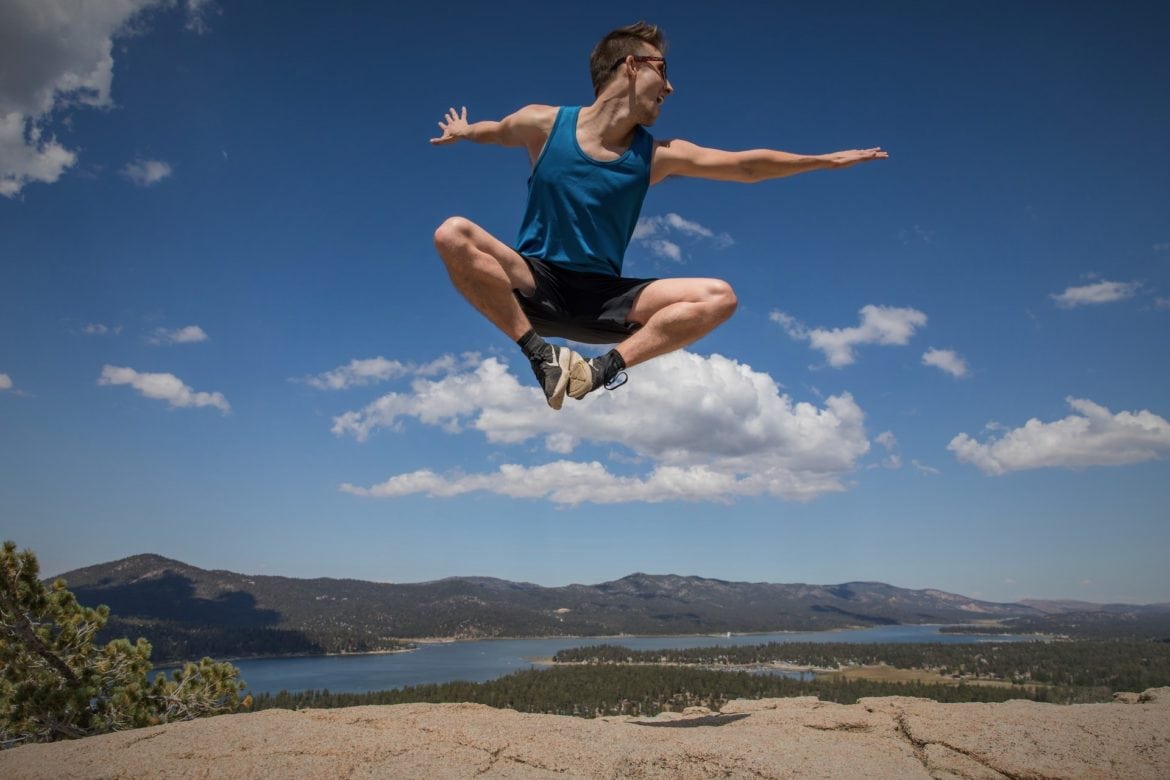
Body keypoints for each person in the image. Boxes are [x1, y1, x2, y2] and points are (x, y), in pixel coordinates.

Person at [431, 21, 886, 410]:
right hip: (534, 286)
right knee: (453, 233)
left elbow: (745, 166)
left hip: (604, 301)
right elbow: (495, 131)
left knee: (719, 297)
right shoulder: (544, 124)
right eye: (663, 71)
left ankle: (596, 371)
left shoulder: (656, 156)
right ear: (631, 65)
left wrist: (821, 160)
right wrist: (464, 131)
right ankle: (540, 356)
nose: (670, 87)